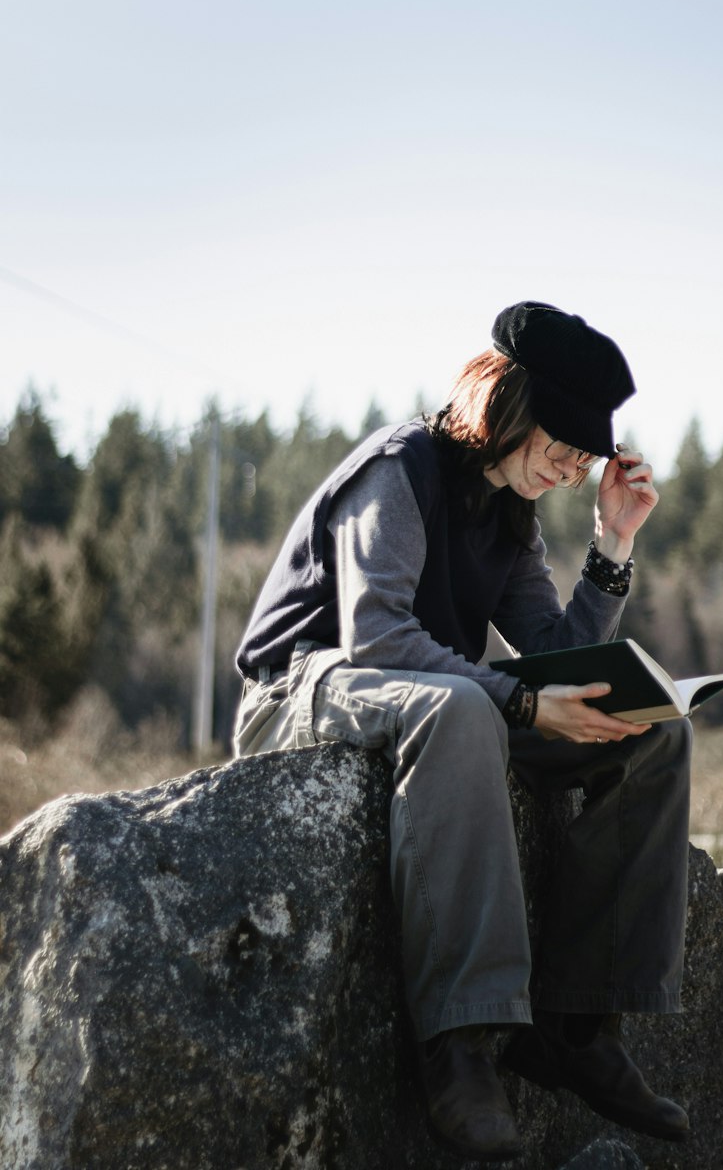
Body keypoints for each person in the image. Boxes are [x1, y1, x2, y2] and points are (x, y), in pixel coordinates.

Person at [233, 300, 692, 1161]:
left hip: (426, 697)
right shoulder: (397, 469)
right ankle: (462, 1046)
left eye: (582, 459)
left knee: (650, 730)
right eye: (558, 447)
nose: (566, 472)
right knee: (465, 706)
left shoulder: (509, 513)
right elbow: (376, 638)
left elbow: (557, 651)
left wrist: (611, 543)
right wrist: (521, 704)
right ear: (506, 407)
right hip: (302, 688)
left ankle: (577, 1026)